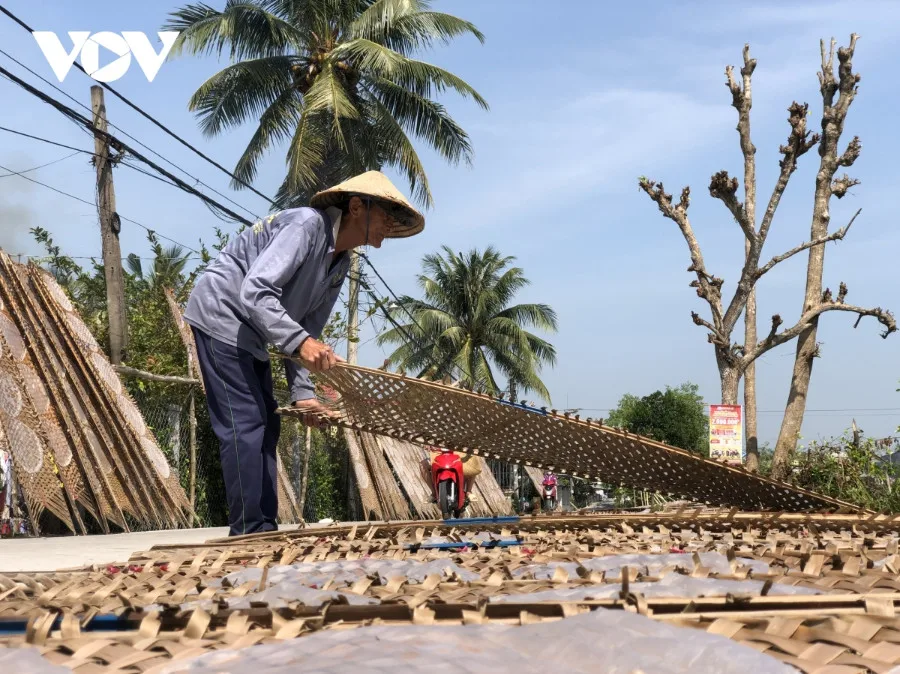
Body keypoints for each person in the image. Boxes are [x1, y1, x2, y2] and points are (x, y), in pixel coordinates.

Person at [183, 171, 425, 536]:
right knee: (245, 424)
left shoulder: (340, 262)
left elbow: (307, 332)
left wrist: (304, 396)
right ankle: (250, 531)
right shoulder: (306, 225)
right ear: (357, 206)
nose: (390, 226)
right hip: (222, 315)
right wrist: (301, 344)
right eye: (387, 214)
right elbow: (256, 291)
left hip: (255, 332)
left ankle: (264, 525)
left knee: (267, 423)